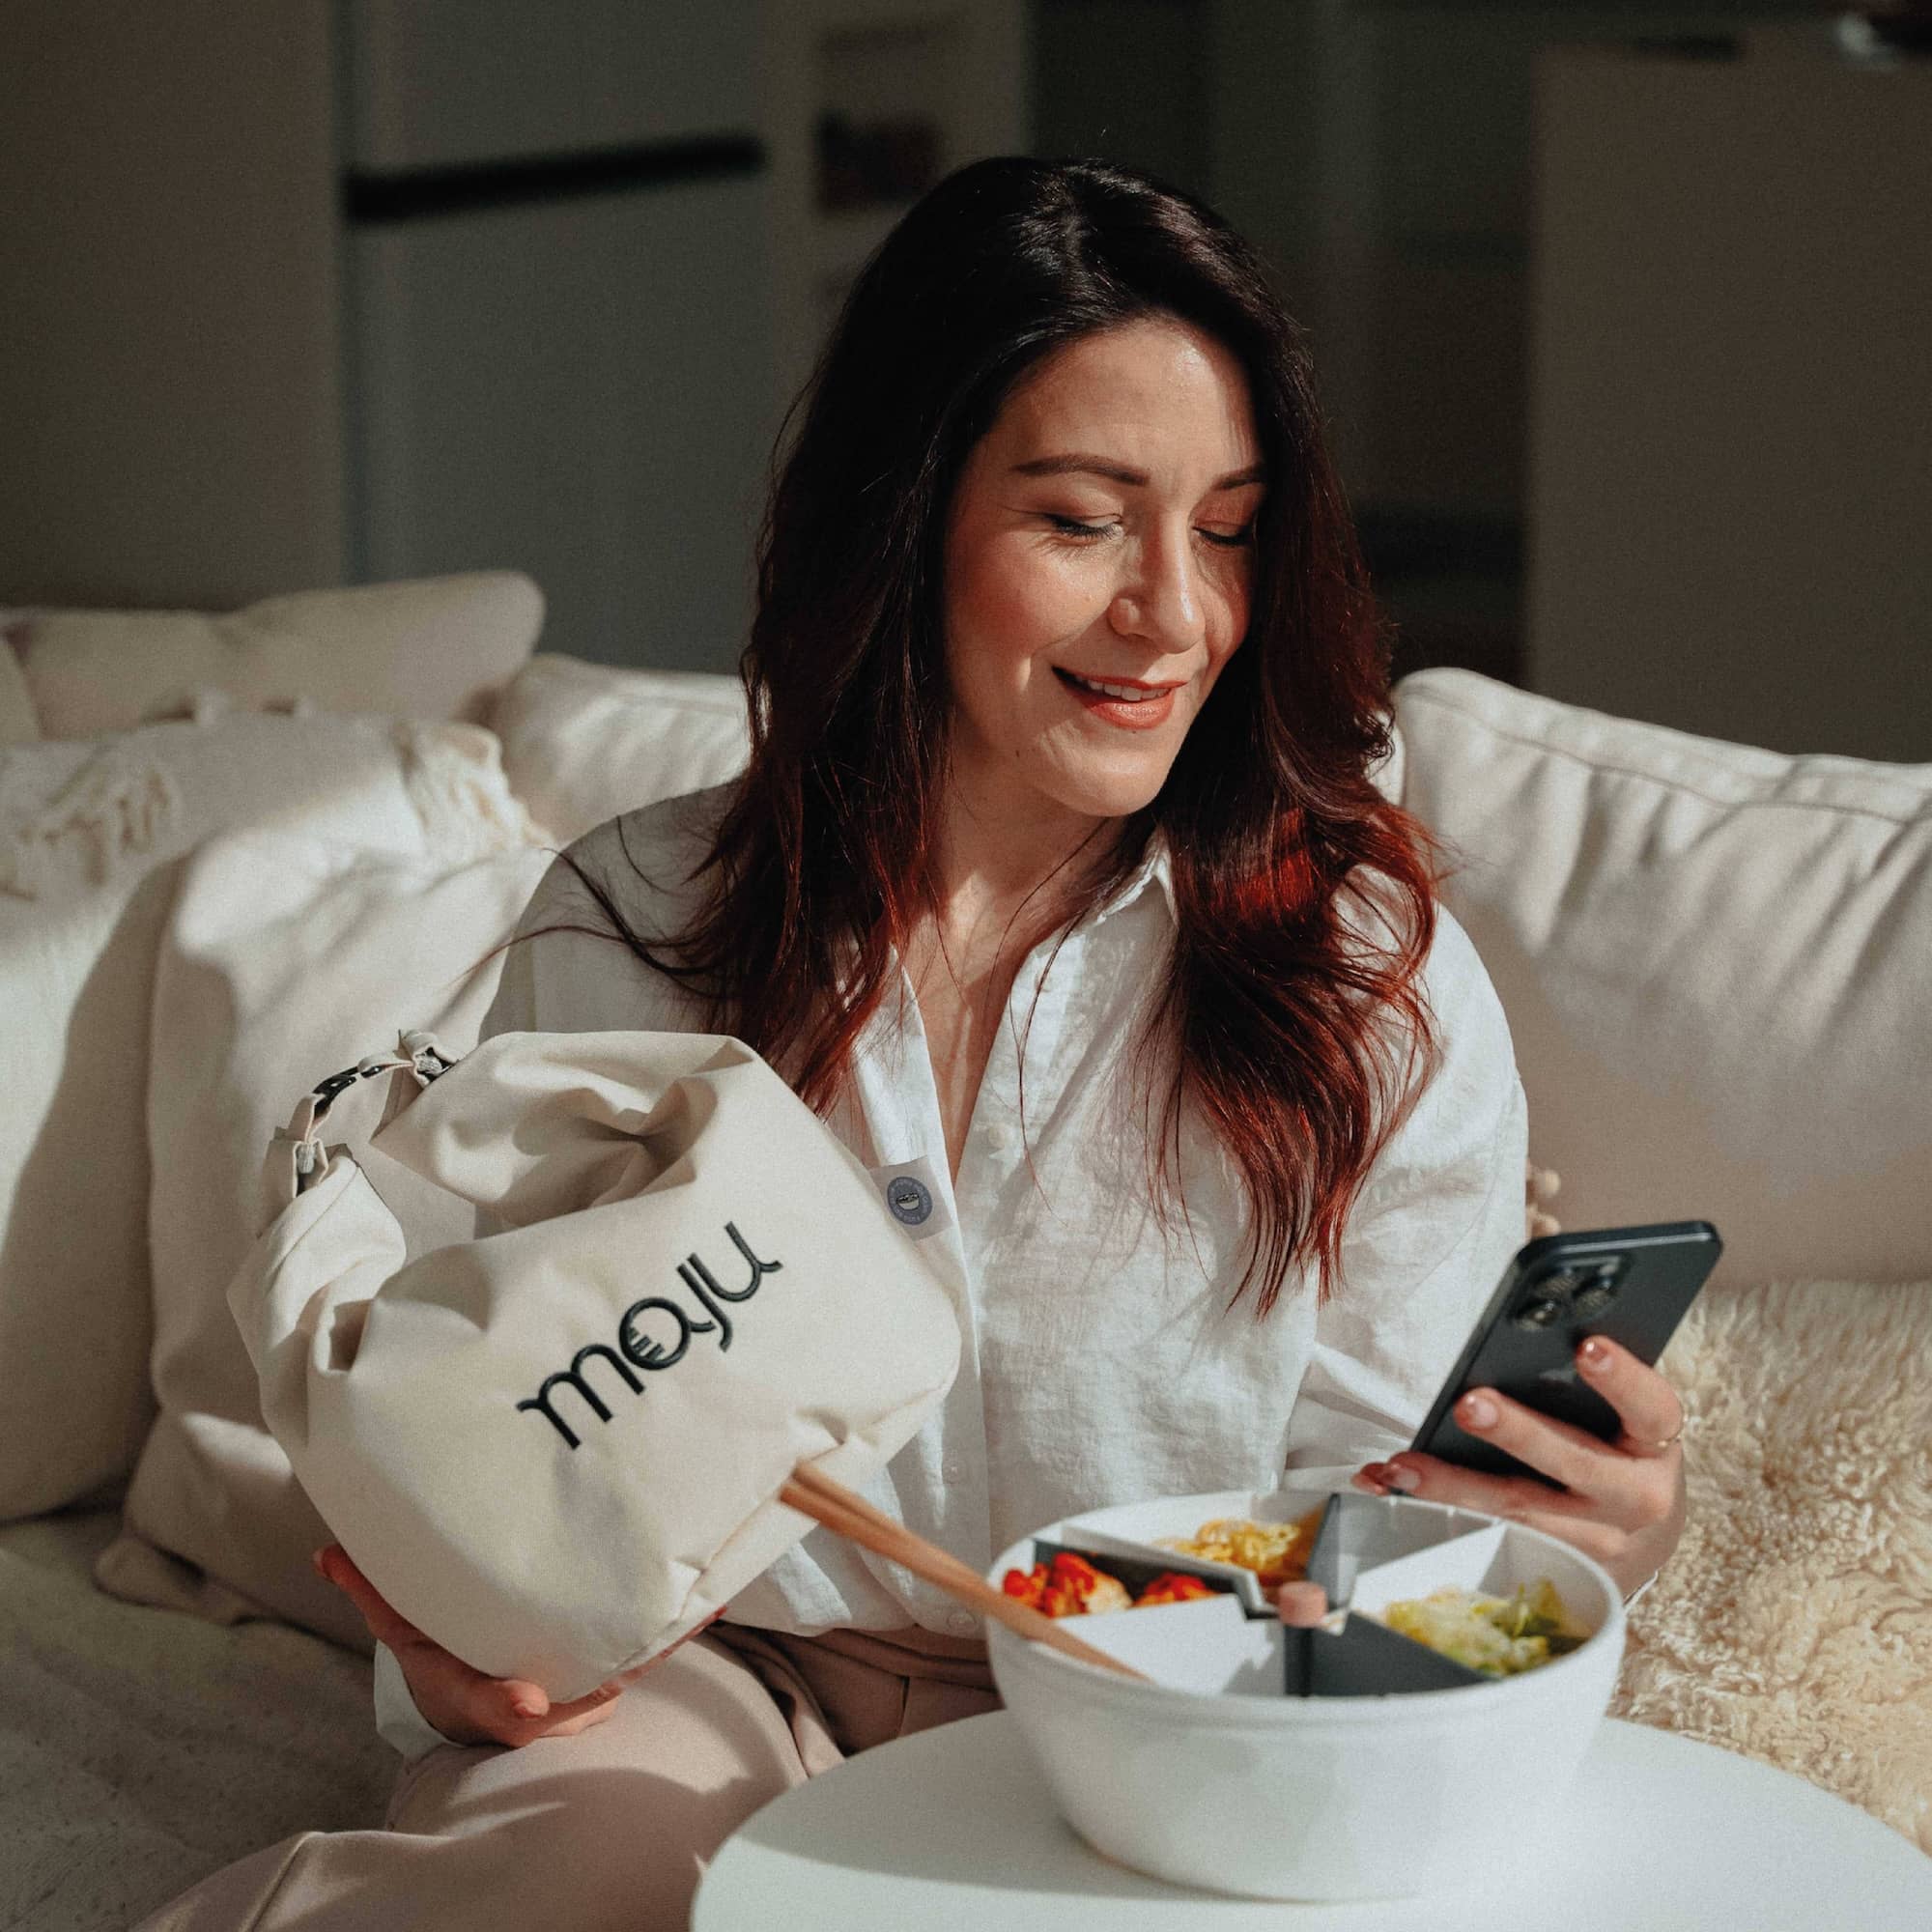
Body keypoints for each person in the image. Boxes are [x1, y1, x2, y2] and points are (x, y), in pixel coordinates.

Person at [138, 156, 1686, 1932]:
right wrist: (448, 1623)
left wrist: (1526, 1550)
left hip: (1165, 1712)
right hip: (719, 1681)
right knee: (571, 1885)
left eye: (1231, 526)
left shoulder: (1363, 973)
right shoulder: (634, 918)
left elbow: (1369, 1534)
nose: (1175, 615)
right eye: (1084, 519)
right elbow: (484, 1406)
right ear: (908, 514)